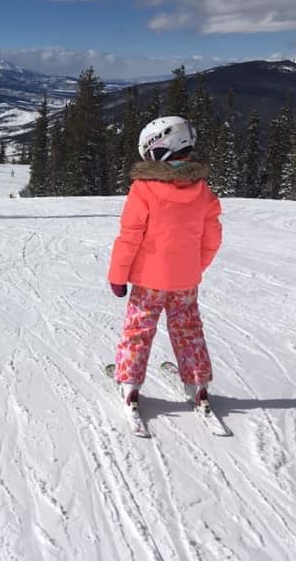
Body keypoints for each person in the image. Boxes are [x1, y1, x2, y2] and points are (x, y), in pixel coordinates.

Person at [107, 116, 222, 409]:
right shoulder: (204, 192)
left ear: (157, 150)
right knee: (188, 330)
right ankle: (197, 383)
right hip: (185, 282)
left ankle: (129, 383)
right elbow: (211, 240)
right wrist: (193, 268)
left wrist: (118, 276)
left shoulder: (143, 190)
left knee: (138, 330)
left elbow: (129, 237)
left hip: (148, 281)